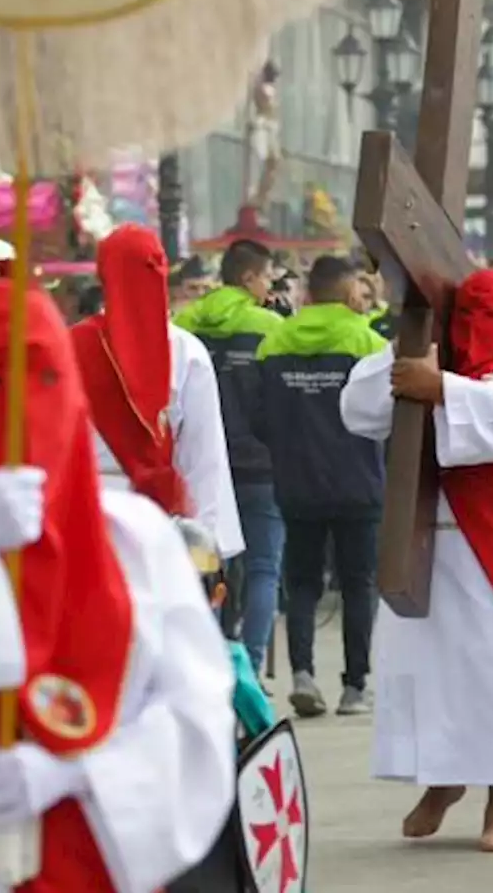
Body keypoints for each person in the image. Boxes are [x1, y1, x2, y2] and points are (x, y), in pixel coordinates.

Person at [0, 282, 236, 891]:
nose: (19, 410)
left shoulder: (137, 540)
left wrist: (75, 773)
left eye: (45, 382)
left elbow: (197, 711)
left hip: (99, 845)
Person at [340, 269, 493, 853]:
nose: (474, 331)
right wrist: (407, 356)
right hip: (428, 542)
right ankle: (441, 782)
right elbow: (359, 408)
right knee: (426, 676)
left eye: (485, 316)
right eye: (463, 318)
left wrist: (445, 390)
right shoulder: (433, 355)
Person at [253, 255, 388, 717]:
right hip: (359, 482)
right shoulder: (368, 342)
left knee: (302, 584)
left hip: (296, 482)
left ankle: (303, 675)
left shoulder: (273, 343)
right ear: (352, 294)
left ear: (309, 294)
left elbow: (259, 417)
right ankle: (355, 686)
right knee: (358, 584)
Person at [73, 224, 244, 561]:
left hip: (87, 516)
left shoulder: (68, 346)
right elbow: (204, 456)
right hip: (159, 521)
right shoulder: (186, 351)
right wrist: (208, 543)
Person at [175, 239, 284, 674]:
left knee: (206, 566)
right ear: (249, 277)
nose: (270, 285)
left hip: (201, 466)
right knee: (263, 568)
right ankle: (250, 667)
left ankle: (209, 657)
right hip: (259, 464)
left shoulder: (185, 323)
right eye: (267, 275)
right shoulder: (271, 325)